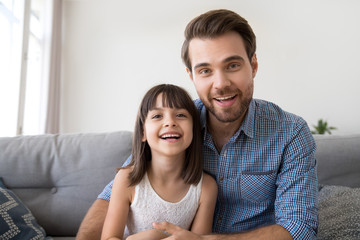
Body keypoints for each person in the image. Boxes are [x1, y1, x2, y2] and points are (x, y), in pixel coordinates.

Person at [77, 9, 318, 240]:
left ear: (253, 65)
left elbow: (299, 228)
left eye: (232, 65)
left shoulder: (290, 132)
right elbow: (112, 197)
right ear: (191, 76)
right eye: (205, 70)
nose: (220, 83)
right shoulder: (173, 126)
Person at [100, 84, 218, 240]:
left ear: (194, 130)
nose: (170, 122)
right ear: (143, 132)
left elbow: (199, 239)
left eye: (181, 115)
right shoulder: (127, 179)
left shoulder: (206, 187)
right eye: (157, 116)